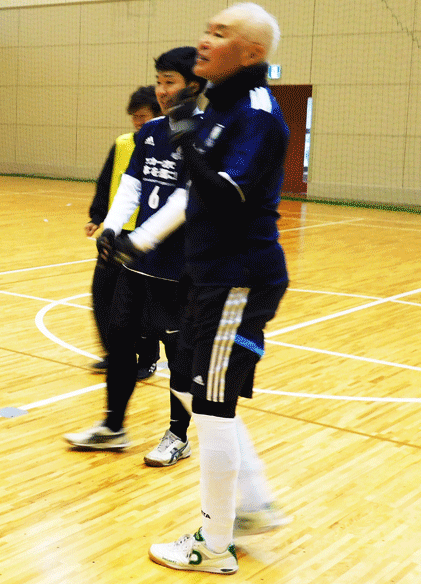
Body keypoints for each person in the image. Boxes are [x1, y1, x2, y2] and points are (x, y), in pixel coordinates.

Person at [148, 4, 291, 574]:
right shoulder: (219, 106)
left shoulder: (256, 114)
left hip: (238, 278)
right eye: (206, 30)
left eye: (220, 34)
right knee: (188, 383)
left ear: (251, 52)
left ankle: (213, 546)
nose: (204, 41)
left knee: (211, 404)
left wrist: (184, 139)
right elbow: (194, 193)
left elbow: (227, 196)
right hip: (206, 275)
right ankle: (252, 504)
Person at [65, 48, 206, 468]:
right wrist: (111, 228)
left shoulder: (206, 134)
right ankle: (113, 426)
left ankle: (178, 436)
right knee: (120, 341)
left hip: (178, 269)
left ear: (193, 85)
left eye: (170, 82)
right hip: (137, 265)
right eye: (158, 82)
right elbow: (132, 185)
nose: (161, 90)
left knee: (179, 356)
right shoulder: (151, 131)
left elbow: (186, 199)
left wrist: (141, 239)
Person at [85, 86, 162, 380]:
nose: (137, 122)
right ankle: (115, 353)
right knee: (101, 294)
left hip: (145, 236)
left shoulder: (163, 145)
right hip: (115, 233)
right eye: (134, 117)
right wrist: (98, 216)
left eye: (143, 116)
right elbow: (107, 182)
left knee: (140, 303)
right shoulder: (122, 144)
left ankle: (148, 359)